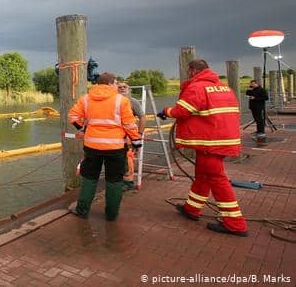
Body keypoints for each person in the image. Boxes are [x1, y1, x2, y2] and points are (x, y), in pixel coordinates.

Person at [158, 59, 248, 236]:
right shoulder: (224, 87)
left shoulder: (197, 88)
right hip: (224, 139)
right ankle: (192, 208)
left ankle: (235, 223)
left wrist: (165, 111)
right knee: (203, 175)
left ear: (192, 71)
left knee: (217, 179)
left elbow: (181, 111)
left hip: (210, 142)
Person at [68, 72, 143, 220]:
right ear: (110, 83)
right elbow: (129, 124)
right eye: (116, 83)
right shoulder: (121, 100)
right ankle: (111, 214)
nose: (117, 86)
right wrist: (136, 141)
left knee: (89, 179)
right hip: (115, 148)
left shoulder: (86, 99)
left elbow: (73, 116)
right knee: (114, 181)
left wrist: (82, 128)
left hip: (92, 147)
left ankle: (82, 210)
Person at [117, 82, 146, 190]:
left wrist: (139, 134)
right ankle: (117, 181)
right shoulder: (113, 101)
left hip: (128, 137)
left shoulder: (132, 102)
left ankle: (128, 183)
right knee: (117, 160)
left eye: (124, 87)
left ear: (128, 89)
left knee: (128, 159)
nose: (122, 88)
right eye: (119, 87)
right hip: (115, 137)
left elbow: (142, 117)